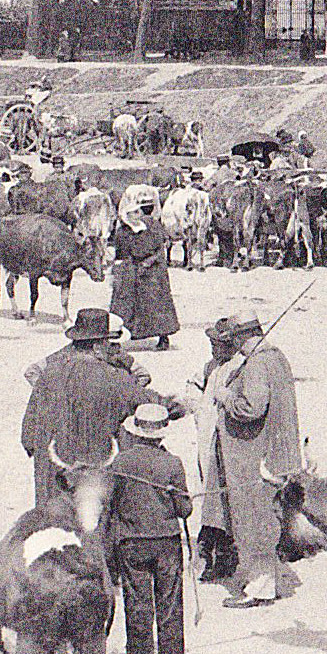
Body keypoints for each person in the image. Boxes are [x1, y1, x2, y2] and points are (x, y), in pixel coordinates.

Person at [206, 312, 302, 607]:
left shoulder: (257, 364)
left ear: (240, 337)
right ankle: (267, 581)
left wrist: (225, 397)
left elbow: (252, 408)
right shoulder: (277, 357)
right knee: (269, 518)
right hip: (279, 454)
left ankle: (259, 588)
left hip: (256, 456)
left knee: (253, 519)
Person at [22, 308, 157, 507]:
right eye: (107, 342)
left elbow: (29, 428)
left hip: (51, 457)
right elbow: (140, 400)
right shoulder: (108, 374)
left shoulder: (52, 371)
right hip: (89, 454)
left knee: (54, 511)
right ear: (96, 346)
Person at [110, 403, 191, 654]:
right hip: (166, 544)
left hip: (131, 544)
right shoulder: (172, 464)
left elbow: (112, 505)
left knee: (138, 610)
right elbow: (185, 508)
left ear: (136, 431)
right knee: (169, 610)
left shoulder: (120, 462)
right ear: (160, 435)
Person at [179, 322, 240, 583]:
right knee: (208, 491)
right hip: (204, 438)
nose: (214, 349)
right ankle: (209, 551)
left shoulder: (239, 368)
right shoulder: (210, 366)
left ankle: (224, 557)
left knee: (222, 498)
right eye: (212, 344)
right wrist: (195, 403)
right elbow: (193, 384)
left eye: (218, 345)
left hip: (225, 441)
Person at [111, 187, 180, 350]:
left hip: (153, 272)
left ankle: (163, 336)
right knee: (125, 304)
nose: (137, 215)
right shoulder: (122, 232)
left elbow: (160, 248)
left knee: (156, 303)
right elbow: (120, 254)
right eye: (133, 213)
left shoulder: (152, 225)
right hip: (130, 271)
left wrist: (149, 262)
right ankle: (117, 336)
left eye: (138, 212)